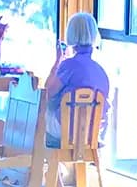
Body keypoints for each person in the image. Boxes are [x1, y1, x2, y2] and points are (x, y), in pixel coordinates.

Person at [44, 11, 110, 147]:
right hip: (93, 131)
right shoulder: (101, 71)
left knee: (36, 113)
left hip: (66, 129)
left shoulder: (68, 66)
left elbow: (47, 92)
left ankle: (29, 162)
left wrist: (58, 60)